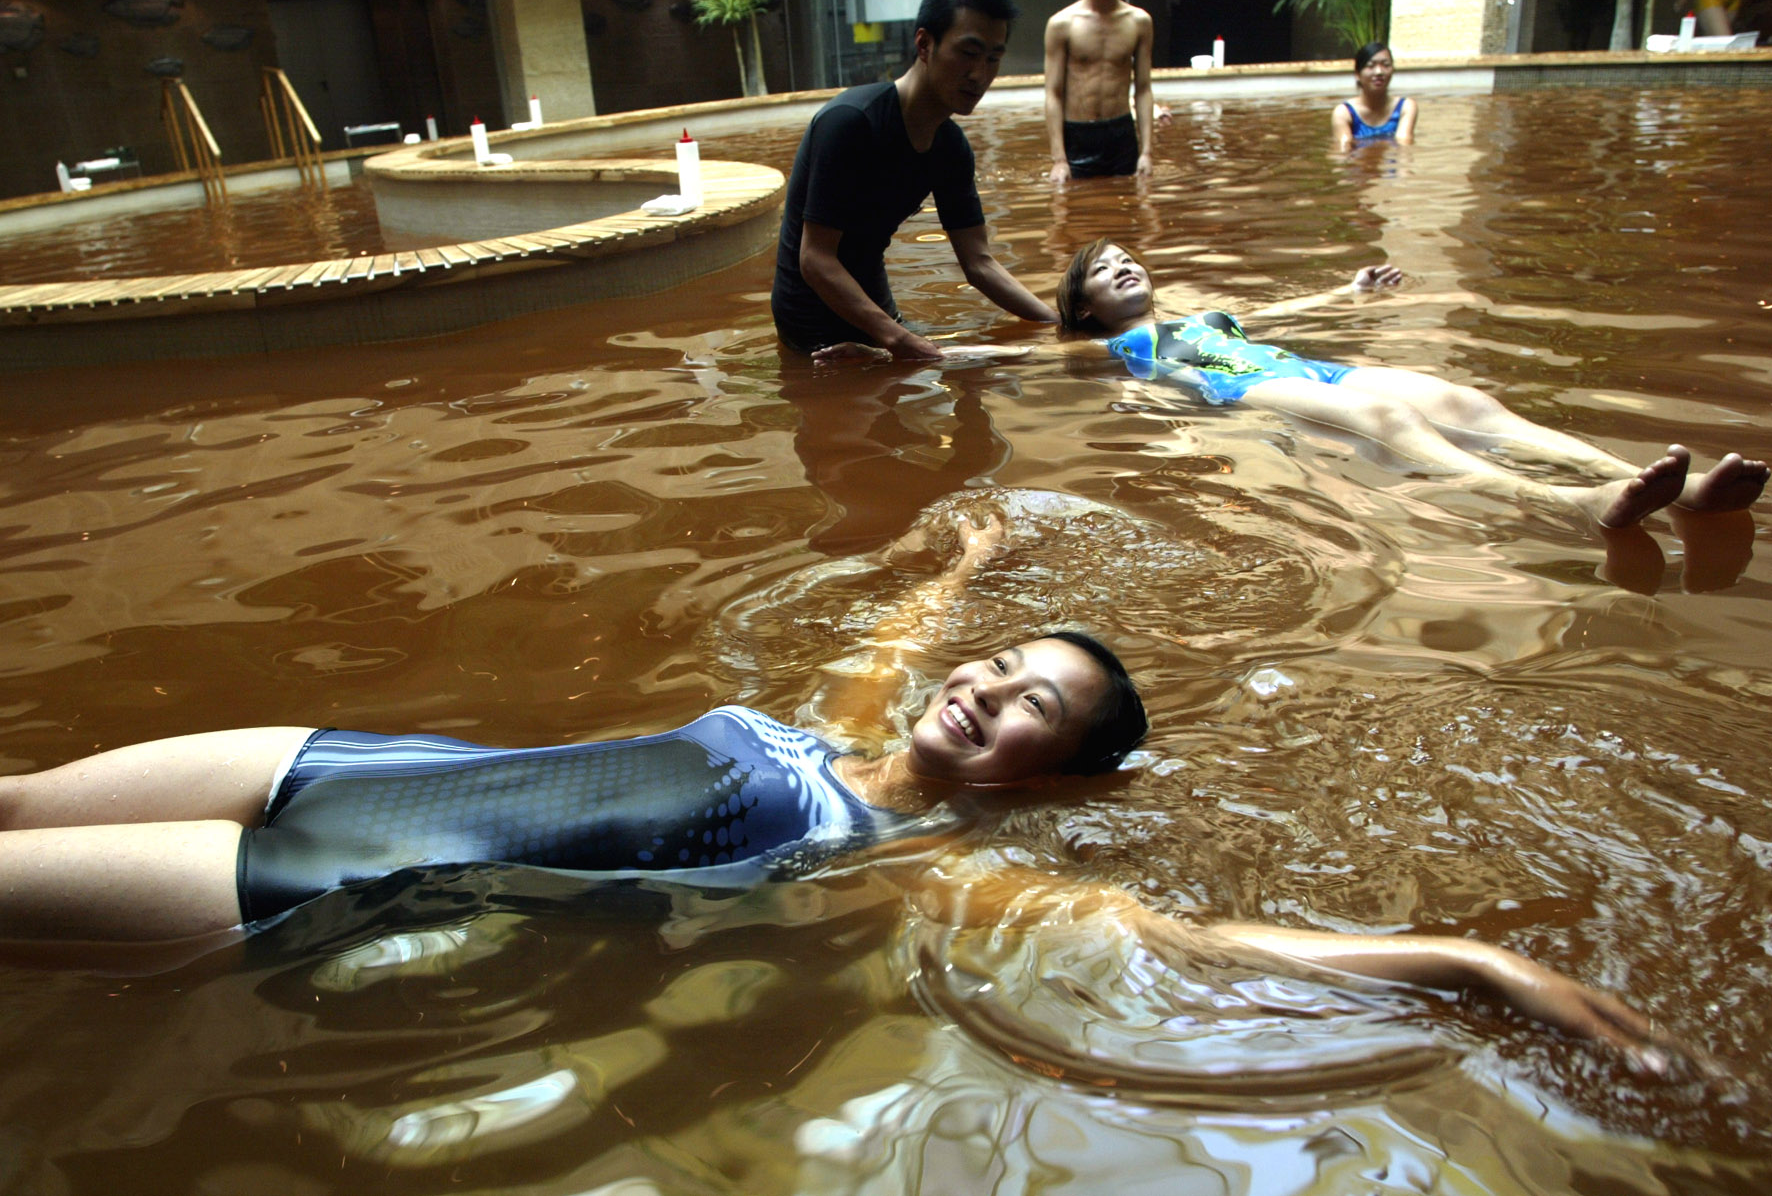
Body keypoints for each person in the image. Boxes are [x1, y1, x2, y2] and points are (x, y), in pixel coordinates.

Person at [0, 510, 1686, 1067]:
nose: (985, 685)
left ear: (1049, 776)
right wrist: (962, 545)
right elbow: (909, 624)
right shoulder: (838, 731)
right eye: (1002, 661)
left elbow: (1189, 932)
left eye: (1031, 703)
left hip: (314, 886)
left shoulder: (905, 857)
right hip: (357, 764)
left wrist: (1473, 964)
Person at [1055, 239, 1770, 529]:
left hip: (1296, 366)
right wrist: (945, 356)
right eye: (1101, 268)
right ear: (1084, 307)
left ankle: (1681, 489)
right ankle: (1574, 503)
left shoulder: (1206, 312)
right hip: (1233, 390)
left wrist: (1348, 287)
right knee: (1385, 419)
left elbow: (1283, 313)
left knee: (1465, 404)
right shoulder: (1119, 345)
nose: (1122, 265)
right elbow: (1019, 363)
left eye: (1126, 256)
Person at [771, 0, 1060, 361]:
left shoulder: (951, 147)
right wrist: (900, 340)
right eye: (968, 53)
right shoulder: (850, 122)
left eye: (993, 58)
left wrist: (1057, 325)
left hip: (877, 309)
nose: (980, 74)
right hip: (809, 325)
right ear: (924, 44)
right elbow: (815, 259)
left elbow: (978, 262)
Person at [1044, 0, 1157, 183]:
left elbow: (1143, 90)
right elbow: (1053, 93)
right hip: (1078, 135)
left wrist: (1147, 152)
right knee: (1073, 211)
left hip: (1121, 134)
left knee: (1131, 209)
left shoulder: (1139, 22)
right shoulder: (1062, 25)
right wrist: (1059, 159)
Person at [1331, 42, 1418, 151]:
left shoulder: (1406, 107)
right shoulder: (1344, 113)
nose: (1379, 72)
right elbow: (1343, 153)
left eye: (1386, 65)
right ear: (1357, 74)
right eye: (1370, 66)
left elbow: (1404, 148)